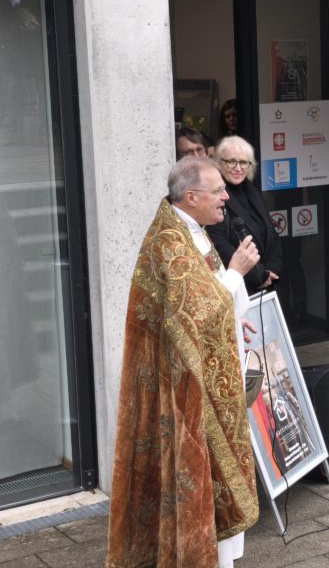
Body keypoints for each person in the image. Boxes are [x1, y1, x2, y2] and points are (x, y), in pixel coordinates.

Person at [107, 157, 262, 568]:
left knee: (216, 483)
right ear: (190, 197)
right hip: (183, 388)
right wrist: (236, 272)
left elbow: (209, 302)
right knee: (198, 478)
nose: (227, 196)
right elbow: (189, 311)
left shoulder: (196, 232)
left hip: (211, 379)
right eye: (218, 191)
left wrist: (233, 321)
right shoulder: (169, 243)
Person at [206, 135, 283, 295]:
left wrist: (271, 270)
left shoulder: (252, 192)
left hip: (265, 285)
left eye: (243, 162)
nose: (238, 168)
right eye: (231, 161)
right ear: (219, 163)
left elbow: (272, 235)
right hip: (239, 288)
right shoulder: (215, 196)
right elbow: (219, 246)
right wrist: (260, 276)